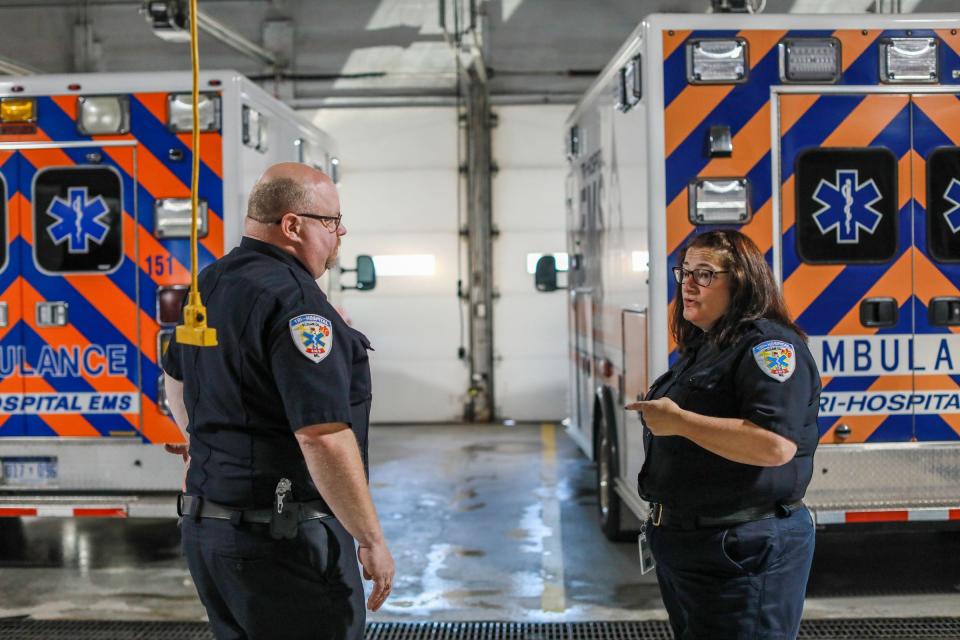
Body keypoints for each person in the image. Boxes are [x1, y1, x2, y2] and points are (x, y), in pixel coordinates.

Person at [162, 162, 394, 640]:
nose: (341, 230)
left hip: (210, 534)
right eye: (331, 221)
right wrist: (370, 539)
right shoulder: (296, 303)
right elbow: (323, 437)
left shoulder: (212, 282)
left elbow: (175, 376)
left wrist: (203, 445)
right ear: (293, 225)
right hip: (282, 543)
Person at [626, 229, 820, 640]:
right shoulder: (708, 346)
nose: (688, 285)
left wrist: (679, 422)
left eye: (705, 274)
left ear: (742, 282)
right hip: (695, 547)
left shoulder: (769, 348)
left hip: (742, 549)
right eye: (685, 272)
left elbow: (774, 444)